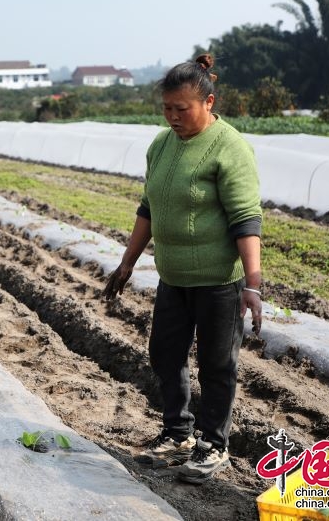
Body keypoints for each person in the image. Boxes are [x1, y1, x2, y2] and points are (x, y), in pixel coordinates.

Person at [103, 53, 262, 484]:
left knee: (216, 364)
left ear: (209, 102)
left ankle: (214, 444)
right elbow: (148, 207)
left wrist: (253, 283)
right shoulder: (161, 144)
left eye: (182, 109)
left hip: (218, 281)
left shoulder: (230, 147)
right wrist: (127, 262)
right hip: (173, 278)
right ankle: (178, 435)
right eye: (167, 109)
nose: (173, 117)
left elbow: (246, 218)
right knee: (165, 354)